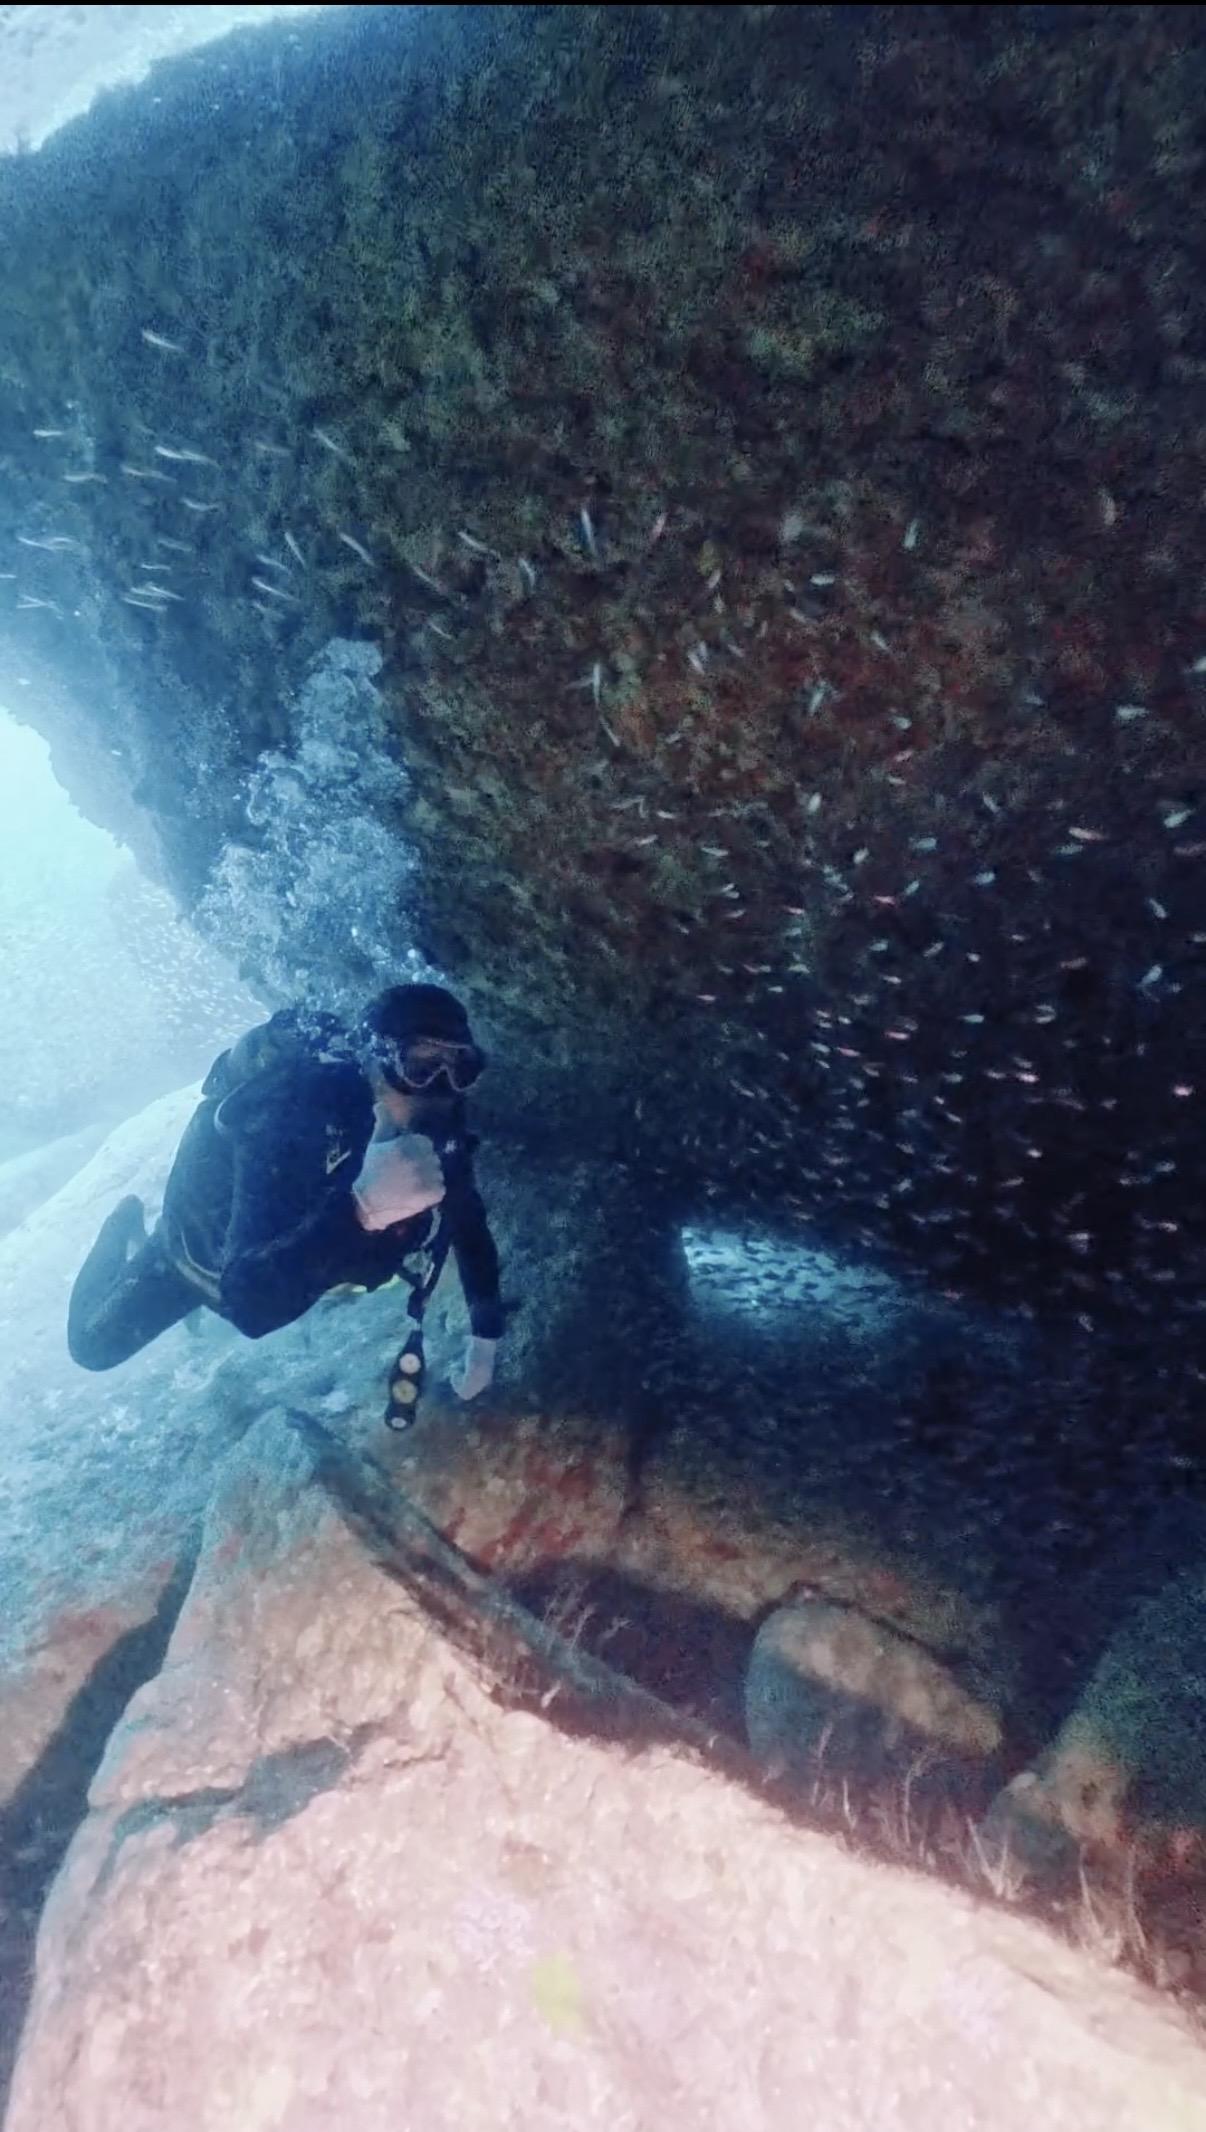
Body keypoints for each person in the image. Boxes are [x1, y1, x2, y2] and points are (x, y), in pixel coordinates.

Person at [67, 983, 506, 1426]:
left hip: (292, 1266)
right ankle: (122, 1223)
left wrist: (485, 1338)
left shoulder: (437, 1121)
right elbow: (249, 1305)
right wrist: (363, 1209)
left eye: (460, 1068)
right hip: (193, 1259)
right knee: (92, 1348)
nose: (439, 1088)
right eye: (420, 1066)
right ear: (374, 1060)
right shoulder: (292, 1112)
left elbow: (467, 1221)